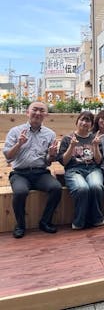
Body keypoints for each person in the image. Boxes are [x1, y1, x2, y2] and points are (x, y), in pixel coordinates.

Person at [3, 101, 62, 238]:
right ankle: (20, 225)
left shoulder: (50, 134)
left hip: (40, 172)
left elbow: (48, 162)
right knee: (20, 192)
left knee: (56, 188)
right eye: (35, 109)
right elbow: (8, 156)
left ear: (45, 115)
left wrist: (52, 155)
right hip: (20, 173)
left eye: (42, 110)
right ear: (27, 112)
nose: (38, 113)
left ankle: (45, 222)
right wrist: (19, 144)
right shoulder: (15, 131)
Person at [57, 111, 104, 230]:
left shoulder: (95, 138)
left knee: (96, 186)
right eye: (82, 120)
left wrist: (95, 146)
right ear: (77, 122)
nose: (84, 123)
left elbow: (98, 161)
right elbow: (64, 161)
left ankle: (96, 218)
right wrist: (72, 146)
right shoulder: (68, 139)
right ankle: (79, 221)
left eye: (88, 120)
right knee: (82, 188)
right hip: (73, 170)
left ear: (91, 124)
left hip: (93, 169)